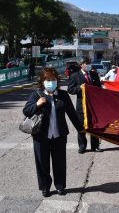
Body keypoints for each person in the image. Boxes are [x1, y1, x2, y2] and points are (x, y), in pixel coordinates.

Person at [23, 67, 83, 197]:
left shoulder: (63, 95)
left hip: (59, 135)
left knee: (60, 162)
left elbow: (72, 114)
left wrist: (82, 129)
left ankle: (60, 186)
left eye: (53, 79)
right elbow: (26, 111)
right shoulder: (36, 94)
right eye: (48, 80)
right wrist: (37, 104)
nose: (51, 82)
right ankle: (45, 187)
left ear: (57, 81)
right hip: (40, 136)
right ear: (42, 81)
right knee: (42, 163)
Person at [67, 57, 102, 154]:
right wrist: (80, 88)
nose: (88, 65)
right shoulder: (74, 76)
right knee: (81, 127)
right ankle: (82, 146)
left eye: (89, 63)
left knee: (94, 126)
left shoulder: (94, 74)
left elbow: (99, 87)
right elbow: (70, 90)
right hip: (82, 105)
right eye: (86, 63)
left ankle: (95, 146)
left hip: (93, 105)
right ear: (81, 64)